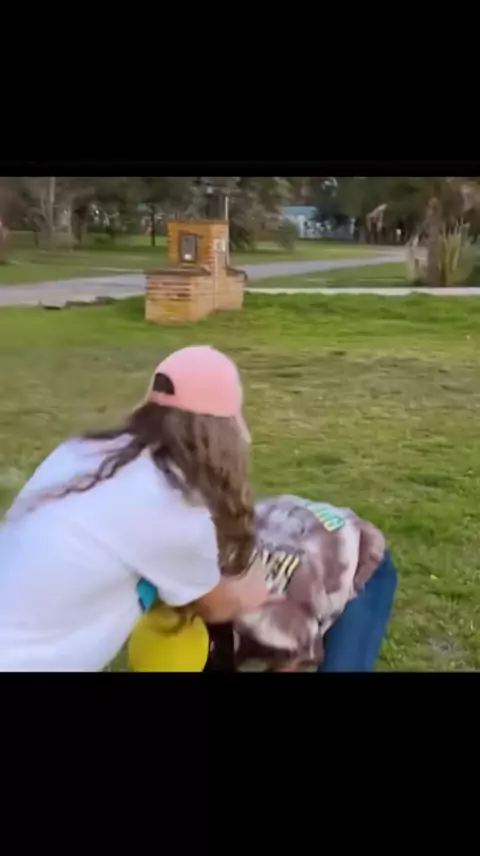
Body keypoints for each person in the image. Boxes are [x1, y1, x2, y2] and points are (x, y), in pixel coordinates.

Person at [0, 346, 274, 671]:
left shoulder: (79, 451)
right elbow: (216, 606)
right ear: (221, 435)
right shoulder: (174, 509)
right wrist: (255, 587)